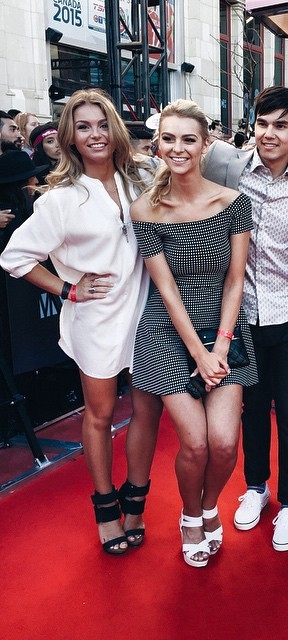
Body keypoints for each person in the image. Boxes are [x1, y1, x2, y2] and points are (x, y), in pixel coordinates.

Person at [0, 88, 163, 555]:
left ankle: (136, 502)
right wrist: (69, 289)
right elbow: (14, 258)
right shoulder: (59, 200)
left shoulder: (141, 182)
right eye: (84, 126)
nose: (95, 134)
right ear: (70, 136)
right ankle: (106, 508)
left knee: (147, 411)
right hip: (96, 319)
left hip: (145, 312)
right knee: (102, 415)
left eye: (103, 124)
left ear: (116, 130)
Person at [130, 99, 257, 568]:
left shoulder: (233, 203)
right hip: (166, 331)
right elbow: (165, 290)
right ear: (157, 145)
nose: (178, 148)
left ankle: (209, 506)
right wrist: (199, 354)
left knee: (224, 444)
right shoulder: (145, 209)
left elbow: (236, 279)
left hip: (224, 326)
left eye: (188, 139)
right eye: (169, 138)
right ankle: (189, 515)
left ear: (205, 145)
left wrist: (219, 345)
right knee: (196, 443)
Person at [202, 86, 288, 552]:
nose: (269, 133)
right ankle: (256, 487)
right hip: (242, 312)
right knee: (252, 409)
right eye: (263, 124)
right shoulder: (226, 166)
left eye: (281, 125)